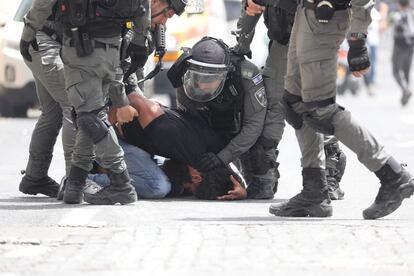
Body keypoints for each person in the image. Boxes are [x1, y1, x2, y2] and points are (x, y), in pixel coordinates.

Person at [266, 0, 414, 219]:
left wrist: (358, 41)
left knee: (320, 110)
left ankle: (393, 175)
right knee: (295, 103)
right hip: (304, 14)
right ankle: (314, 190)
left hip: (324, 19)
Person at [20, 0, 154, 205]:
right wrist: (140, 39)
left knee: (88, 117)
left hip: (81, 49)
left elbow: (43, 3)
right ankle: (75, 182)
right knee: (89, 112)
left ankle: (121, 182)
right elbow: (142, 7)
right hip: (113, 46)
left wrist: (28, 33)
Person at [233, 0, 347, 200]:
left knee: (316, 105)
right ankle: (264, 175)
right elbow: (251, 8)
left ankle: (328, 173)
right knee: (274, 105)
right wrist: (241, 47)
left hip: (315, 39)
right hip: (285, 42)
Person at [167, 36, 270, 199]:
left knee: (262, 171)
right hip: (207, 124)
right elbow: (188, 123)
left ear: (225, 73)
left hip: (241, 124)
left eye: (209, 79)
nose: (203, 84)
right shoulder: (184, 76)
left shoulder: (247, 74)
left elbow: (253, 126)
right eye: (199, 77)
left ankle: (263, 176)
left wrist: (222, 158)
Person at [102, 92, 248, 200]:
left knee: (169, 183)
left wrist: (243, 191)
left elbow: (229, 168)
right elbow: (135, 99)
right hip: (105, 139)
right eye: (190, 189)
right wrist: (111, 120)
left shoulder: (214, 154)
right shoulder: (169, 136)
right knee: (158, 186)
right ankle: (90, 180)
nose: (185, 189)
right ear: (196, 177)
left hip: (133, 144)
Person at [19, 19, 76, 198]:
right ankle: (74, 182)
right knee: (72, 106)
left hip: (48, 41)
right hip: (44, 41)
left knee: (53, 113)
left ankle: (35, 177)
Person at [391, 0, 414, 106]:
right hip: (410, 46)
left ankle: (405, 89)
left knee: (396, 71)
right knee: (406, 70)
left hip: (399, 46)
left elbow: (396, 30)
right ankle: (406, 91)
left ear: (398, 4)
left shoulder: (397, 16)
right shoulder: (411, 14)